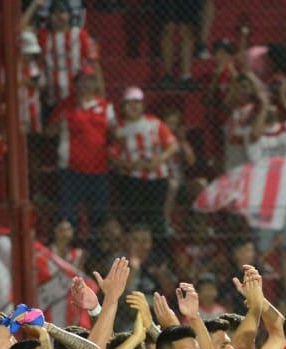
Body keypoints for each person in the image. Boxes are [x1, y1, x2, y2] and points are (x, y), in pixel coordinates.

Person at [246, 76, 286, 296]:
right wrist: (264, 105)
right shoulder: (254, 135)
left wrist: (285, 100)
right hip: (266, 197)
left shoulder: (285, 129)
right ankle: (257, 297)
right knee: (262, 250)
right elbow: (254, 134)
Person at [51, 65, 114, 231]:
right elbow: (50, 130)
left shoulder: (106, 107)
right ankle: (69, 252)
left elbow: (113, 133)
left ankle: (96, 253)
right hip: (71, 169)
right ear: (76, 84)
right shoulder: (65, 106)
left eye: (90, 80)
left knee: (99, 217)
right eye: (82, 81)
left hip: (99, 168)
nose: (86, 85)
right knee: (69, 216)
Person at [112, 88, 178, 236]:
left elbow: (173, 145)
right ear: (123, 106)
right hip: (132, 179)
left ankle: (159, 254)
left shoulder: (155, 123)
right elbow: (112, 155)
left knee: (156, 219)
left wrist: (158, 160)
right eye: (130, 103)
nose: (134, 106)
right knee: (135, 219)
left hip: (157, 177)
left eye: (137, 103)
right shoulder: (119, 128)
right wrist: (130, 165)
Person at [35, 0, 104, 107]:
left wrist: (101, 94)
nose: (59, 16)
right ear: (49, 16)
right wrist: (34, 6)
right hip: (51, 98)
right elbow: (19, 31)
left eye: (62, 12)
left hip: (76, 98)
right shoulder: (43, 36)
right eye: (54, 13)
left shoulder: (81, 35)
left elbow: (94, 64)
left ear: (69, 15)